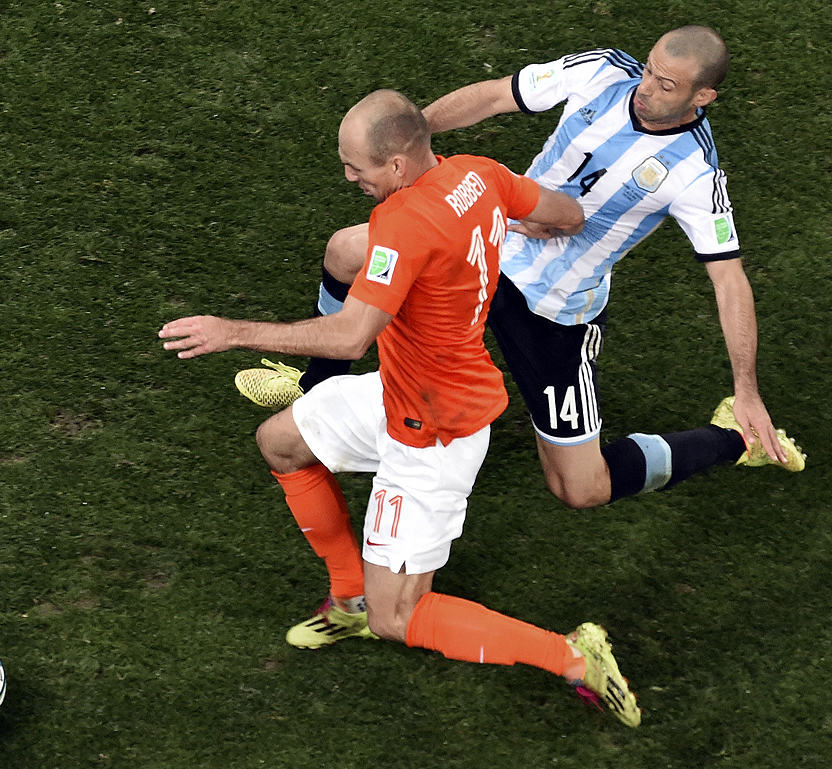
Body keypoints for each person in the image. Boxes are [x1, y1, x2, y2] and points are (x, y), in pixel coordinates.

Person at [161, 89, 641, 727]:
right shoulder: (480, 173)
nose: (348, 176)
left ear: (396, 164)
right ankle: (349, 598)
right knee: (280, 442)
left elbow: (349, 337)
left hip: (435, 432)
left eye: (355, 165)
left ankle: (573, 656)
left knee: (400, 617)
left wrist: (232, 331)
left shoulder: (404, 224)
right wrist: (517, 226)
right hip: (405, 392)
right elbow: (568, 214)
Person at [235, 26, 804, 509]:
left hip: (554, 310)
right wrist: (403, 140)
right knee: (345, 251)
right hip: (486, 242)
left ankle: (734, 437)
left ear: (703, 96)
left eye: (666, 85)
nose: (646, 88)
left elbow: (729, 279)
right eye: (650, 69)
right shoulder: (604, 71)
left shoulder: (696, 173)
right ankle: (315, 386)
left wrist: (746, 387)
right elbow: (491, 97)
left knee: (581, 488)